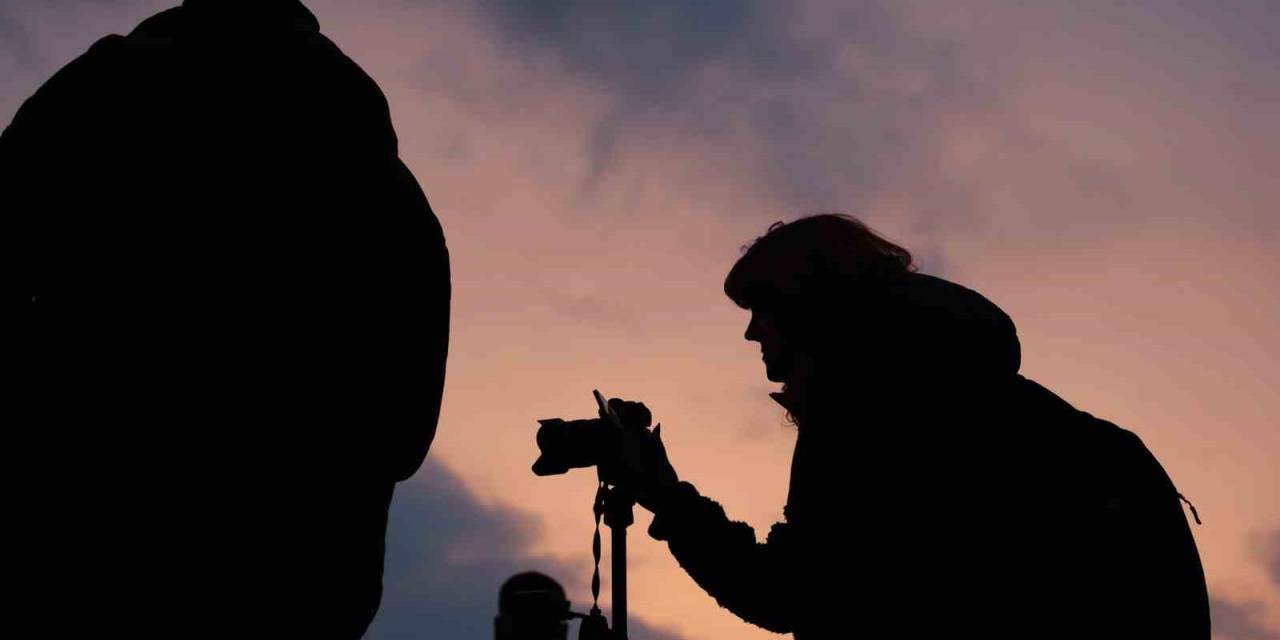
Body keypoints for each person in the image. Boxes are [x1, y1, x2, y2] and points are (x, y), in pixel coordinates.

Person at [10, 1, 449, 637]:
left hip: (89, 550)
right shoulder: (372, 167)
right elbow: (405, 426)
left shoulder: (88, 100)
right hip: (295, 569)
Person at [603, 214, 1210, 639]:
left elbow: (788, 595)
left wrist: (663, 494)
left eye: (764, 310)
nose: (752, 333)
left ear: (812, 308)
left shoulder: (868, 425)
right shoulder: (1060, 427)